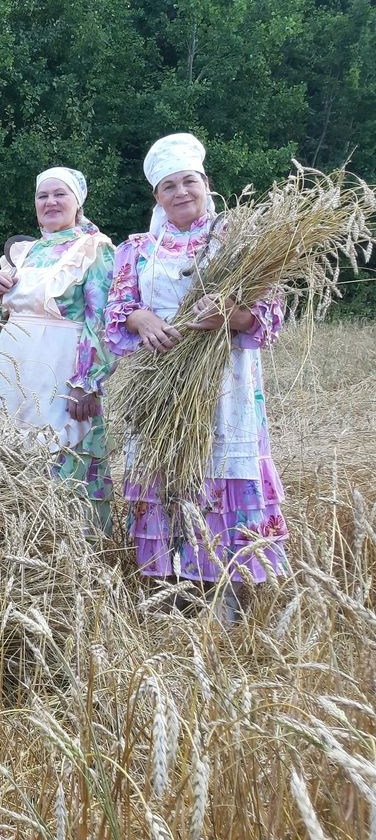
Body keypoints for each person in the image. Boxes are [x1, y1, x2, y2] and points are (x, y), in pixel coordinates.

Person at [105, 133, 287, 619]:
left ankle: (228, 608)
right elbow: (117, 310)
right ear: (156, 197)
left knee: (219, 476)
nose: (181, 192)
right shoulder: (137, 249)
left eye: (189, 181)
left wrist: (231, 314)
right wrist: (141, 319)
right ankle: (172, 604)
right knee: (165, 477)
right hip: (161, 381)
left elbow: (270, 314)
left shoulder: (240, 241)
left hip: (224, 379)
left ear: (206, 184)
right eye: (169, 186)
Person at [0, 167, 116, 535]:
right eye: (42, 196)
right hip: (16, 369)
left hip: (62, 370)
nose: (50, 202)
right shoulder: (26, 252)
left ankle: (73, 548)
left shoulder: (96, 249)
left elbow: (102, 318)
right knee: (15, 451)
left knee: (65, 452)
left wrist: (86, 382)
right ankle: (23, 542)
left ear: (78, 202)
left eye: (60, 194)